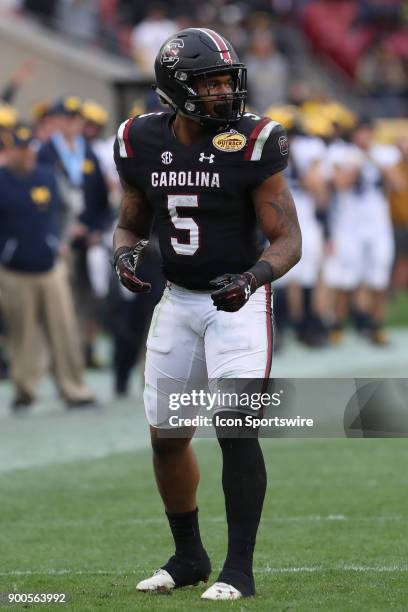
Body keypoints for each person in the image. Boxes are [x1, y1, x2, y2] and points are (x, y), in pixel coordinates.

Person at [113, 28, 301, 600]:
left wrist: (251, 279)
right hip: (179, 301)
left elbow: (287, 238)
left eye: (225, 79)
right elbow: (131, 219)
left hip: (238, 303)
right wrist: (124, 253)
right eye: (210, 82)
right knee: (167, 436)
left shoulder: (253, 140)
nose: (223, 91)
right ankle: (189, 555)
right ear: (176, 88)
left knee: (236, 429)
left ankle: (238, 571)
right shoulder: (138, 139)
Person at [0, 124, 96, 410]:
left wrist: (62, 241)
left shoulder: (48, 176)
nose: (27, 154)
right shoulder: (2, 180)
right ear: (9, 151)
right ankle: (24, 390)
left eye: (30, 148)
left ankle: (73, 389)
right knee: (23, 333)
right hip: (14, 270)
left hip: (51, 266)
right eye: (20, 149)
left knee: (64, 329)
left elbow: (69, 208)